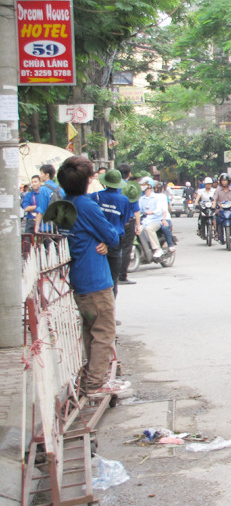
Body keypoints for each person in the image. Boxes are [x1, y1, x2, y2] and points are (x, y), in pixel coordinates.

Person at [54, 156, 127, 396]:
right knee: (104, 332)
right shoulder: (86, 206)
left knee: (91, 330)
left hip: (79, 277)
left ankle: (91, 378)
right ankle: (96, 383)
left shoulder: (64, 204)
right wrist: (103, 240)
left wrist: (99, 240)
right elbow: (113, 236)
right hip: (95, 277)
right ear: (87, 181)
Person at [90, 169, 134, 296]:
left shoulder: (95, 196)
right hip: (115, 241)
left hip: (97, 241)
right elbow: (124, 220)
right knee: (113, 277)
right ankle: (110, 307)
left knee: (97, 275)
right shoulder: (124, 200)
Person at [116, 164, 141, 285]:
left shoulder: (113, 187)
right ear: (129, 174)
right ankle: (122, 276)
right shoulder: (131, 188)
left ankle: (114, 275)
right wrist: (138, 225)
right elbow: (136, 210)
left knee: (115, 248)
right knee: (126, 249)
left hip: (114, 222)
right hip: (127, 222)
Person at [138, 177, 168, 258]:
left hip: (155, 221)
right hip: (144, 221)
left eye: (143, 184)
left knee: (149, 229)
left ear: (149, 186)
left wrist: (152, 212)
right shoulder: (141, 199)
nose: (142, 186)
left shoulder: (157, 198)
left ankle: (157, 248)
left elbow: (159, 210)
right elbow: (138, 210)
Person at [35, 164, 63, 233]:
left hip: (47, 227)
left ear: (47, 175)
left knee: (47, 242)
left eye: (41, 173)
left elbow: (41, 209)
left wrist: (37, 226)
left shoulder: (43, 189)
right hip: (60, 226)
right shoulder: (60, 189)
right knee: (59, 243)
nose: (40, 176)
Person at [212, 173, 231, 241]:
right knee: (215, 218)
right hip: (221, 210)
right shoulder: (218, 190)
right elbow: (214, 198)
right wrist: (213, 204)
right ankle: (217, 233)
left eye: (225, 180)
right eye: (223, 180)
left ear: (228, 181)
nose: (224, 182)